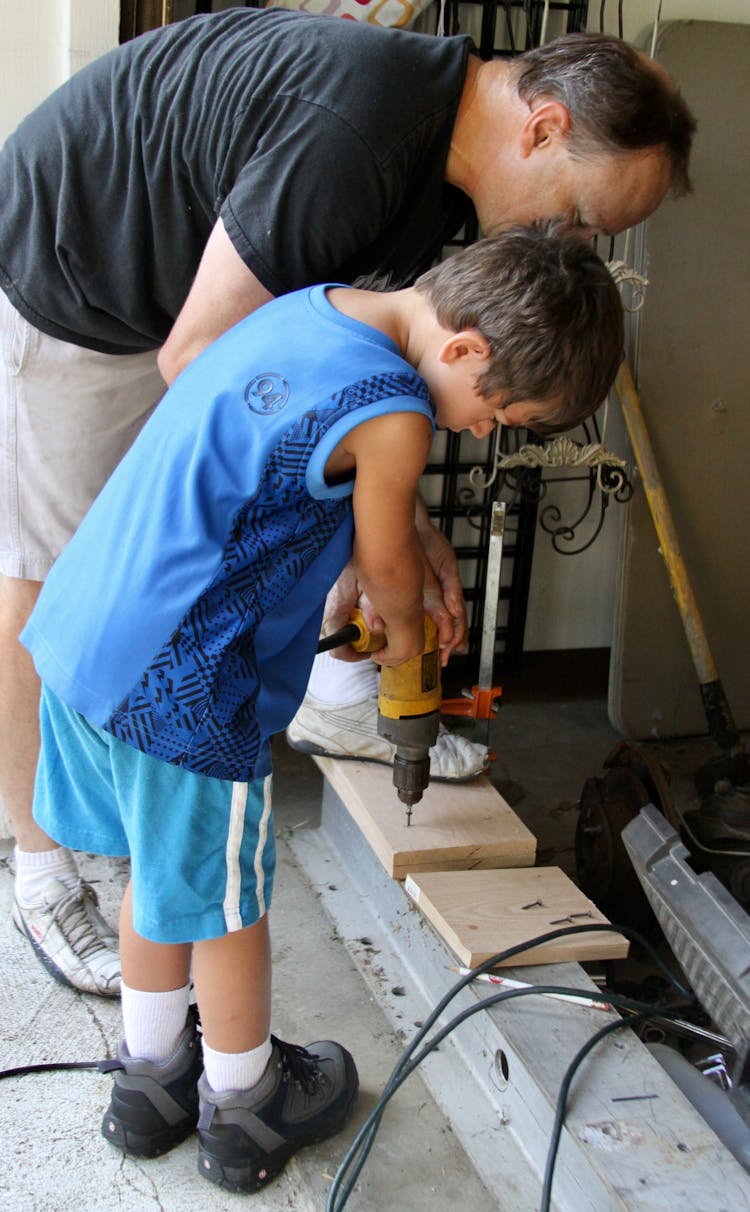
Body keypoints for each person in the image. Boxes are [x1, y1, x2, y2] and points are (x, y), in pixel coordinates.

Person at [0, 9, 696, 997]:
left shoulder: (452, 185)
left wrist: (392, 511)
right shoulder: (360, 133)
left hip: (187, 303)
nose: (575, 243)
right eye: (583, 216)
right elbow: (205, 356)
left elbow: (332, 407)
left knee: (282, 518)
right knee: (58, 572)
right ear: (541, 129)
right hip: (79, 277)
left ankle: (329, 709)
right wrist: (395, 513)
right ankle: (40, 868)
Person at [20, 225, 625, 1191]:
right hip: (183, 689)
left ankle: (150, 1079)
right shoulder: (397, 414)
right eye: (497, 408)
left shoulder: (315, 308)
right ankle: (246, 1101)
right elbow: (389, 563)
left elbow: (284, 478)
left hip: (85, 639)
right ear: (465, 350)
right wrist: (406, 631)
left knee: (160, 873)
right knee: (228, 908)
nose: (481, 430)